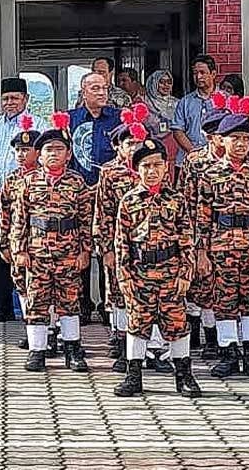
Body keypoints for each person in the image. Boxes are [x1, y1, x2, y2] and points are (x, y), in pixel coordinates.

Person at [196, 99, 249, 379]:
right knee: (225, 300)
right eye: (236, 139)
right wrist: (202, 252)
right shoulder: (210, 174)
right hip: (222, 246)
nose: (242, 144)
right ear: (224, 140)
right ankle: (228, 353)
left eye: (246, 139)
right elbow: (203, 216)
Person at [112, 138, 201, 398]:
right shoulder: (128, 201)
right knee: (138, 323)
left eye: (157, 165)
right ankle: (134, 375)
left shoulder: (176, 200)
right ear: (136, 169)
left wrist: (186, 273)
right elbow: (121, 243)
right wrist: (124, 276)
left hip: (171, 271)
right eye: (146, 166)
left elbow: (187, 239)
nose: (152, 171)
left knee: (177, 324)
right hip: (140, 273)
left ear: (166, 168)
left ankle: (184, 375)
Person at [10, 113, 92, 373]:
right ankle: (37, 351)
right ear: (40, 155)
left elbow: (86, 218)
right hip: (37, 252)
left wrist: (85, 250)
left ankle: (72, 350)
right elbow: (19, 219)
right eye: (48, 149)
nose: (54, 153)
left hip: (69, 252)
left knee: (69, 302)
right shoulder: (28, 183)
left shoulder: (77, 183)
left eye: (59, 149)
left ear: (68, 154)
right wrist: (19, 250)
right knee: (37, 301)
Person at [0, 77, 47, 323]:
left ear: (25, 99)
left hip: (32, 207)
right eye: (6, 98)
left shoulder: (40, 125)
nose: (10, 102)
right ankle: (2, 308)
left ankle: (34, 313)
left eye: (15, 98)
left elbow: (48, 162)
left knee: (30, 257)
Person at [92, 110, 147, 372]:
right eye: (129, 144)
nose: (134, 148)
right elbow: (102, 212)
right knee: (118, 292)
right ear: (118, 146)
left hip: (148, 245)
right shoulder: (110, 173)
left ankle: (150, 346)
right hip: (118, 244)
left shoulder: (150, 168)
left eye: (138, 142)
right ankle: (121, 339)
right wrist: (105, 248)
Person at [178, 94, 230, 361]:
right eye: (220, 133)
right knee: (197, 288)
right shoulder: (195, 161)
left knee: (219, 289)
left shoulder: (235, 163)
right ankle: (196, 334)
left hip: (227, 236)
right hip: (198, 233)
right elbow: (185, 200)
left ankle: (217, 340)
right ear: (210, 136)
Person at [68, 72, 122, 323]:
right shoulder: (70, 119)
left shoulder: (118, 119)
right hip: (80, 195)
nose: (102, 93)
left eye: (105, 88)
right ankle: (82, 305)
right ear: (84, 92)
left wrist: (103, 185)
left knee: (106, 249)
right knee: (81, 247)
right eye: (95, 88)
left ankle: (105, 304)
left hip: (109, 195)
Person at [0, 121, 41, 349]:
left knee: (45, 291)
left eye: (26, 149)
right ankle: (31, 328)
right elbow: (5, 214)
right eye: (17, 150)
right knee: (22, 287)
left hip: (42, 244)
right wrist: (3, 243)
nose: (20, 154)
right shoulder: (12, 180)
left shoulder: (43, 178)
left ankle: (51, 331)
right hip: (18, 245)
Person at [172, 54, 219, 171]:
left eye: (202, 72)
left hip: (217, 163)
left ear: (213, 74)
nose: (198, 77)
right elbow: (178, 131)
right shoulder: (185, 102)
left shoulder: (225, 100)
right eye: (195, 73)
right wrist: (194, 152)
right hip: (187, 160)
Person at [143, 70, 180, 178]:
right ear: (153, 83)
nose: (166, 85)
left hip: (174, 150)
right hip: (151, 150)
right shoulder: (144, 103)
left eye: (169, 82)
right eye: (162, 82)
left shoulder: (178, 103)